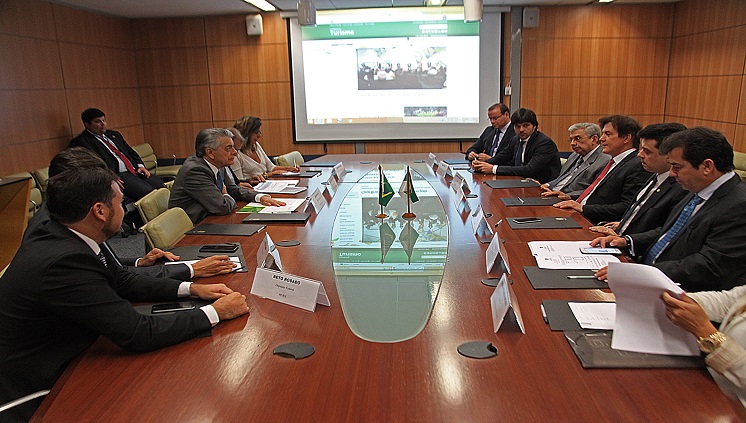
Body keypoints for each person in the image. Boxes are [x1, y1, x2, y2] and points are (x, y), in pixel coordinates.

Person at [0, 166, 249, 422]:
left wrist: (191, 289)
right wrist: (215, 313)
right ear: (99, 211)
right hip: (41, 387)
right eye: (120, 203)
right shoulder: (65, 261)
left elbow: (121, 279)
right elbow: (136, 333)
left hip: (75, 349)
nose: (124, 209)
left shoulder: (68, 233)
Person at [23, 147, 236, 279]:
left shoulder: (68, 217)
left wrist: (137, 262)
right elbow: (116, 284)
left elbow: (108, 266)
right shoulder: (58, 242)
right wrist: (191, 272)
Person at [592, 127, 746, 291]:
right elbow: (671, 233)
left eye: (677, 167)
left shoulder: (738, 205)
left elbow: (711, 265)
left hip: (682, 292)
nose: (671, 173)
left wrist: (641, 273)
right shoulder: (698, 188)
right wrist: (628, 241)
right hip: (651, 273)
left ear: (707, 166)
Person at [168, 128, 285, 224]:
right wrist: (225, 195)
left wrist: (260, 197)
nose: (235, 152)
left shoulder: (218, 162)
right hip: (194, 227)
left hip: (212, 219)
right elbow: (222, 207)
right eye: (229, 148)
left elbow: (233, 189)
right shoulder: (195, 171)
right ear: (210, 152)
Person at [589, 123, 688, 236]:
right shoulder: (656, 175)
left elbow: (667, 231)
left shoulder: (681, 187)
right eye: (641, 149)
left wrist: (627, 239)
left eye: (647, 151)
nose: (639, 154)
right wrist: (623, 224)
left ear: (669, 155)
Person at [553, 115, 651, 223]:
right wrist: (569, 197)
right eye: (603, 134)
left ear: (626, 138)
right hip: (580, 212)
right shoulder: (613, 161)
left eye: (608, 134)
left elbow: (627, 207)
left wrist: (584, 208)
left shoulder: (637, 166)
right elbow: (597, 193)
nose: (601, 139)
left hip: (594, 221)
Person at [661, 287, 746, 408]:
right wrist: (680, 301)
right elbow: (728, 300)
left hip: (737, 407)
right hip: (716, 386)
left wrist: (707, 332)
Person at [70, 108, 165, 201]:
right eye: (97, 121)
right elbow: (92, 165)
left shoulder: (114, 135)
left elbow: (130, 152)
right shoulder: (82, 142)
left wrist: (140, 166)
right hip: (118, 175)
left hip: (135, 170)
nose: (103, 124)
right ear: (87, 124)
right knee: (149, 194)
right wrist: (110, 177)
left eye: (103, 120)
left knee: (162, 187)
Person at [470, 108, 561, 183]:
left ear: (534, 126)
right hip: (520, 181)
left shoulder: (544, 143)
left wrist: (493, 169)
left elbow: (529, 170)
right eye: (518, 126)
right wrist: (481, 164)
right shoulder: (516, 140)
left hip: (542, 185)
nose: (521, 130)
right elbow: (501, 158)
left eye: (526, 126)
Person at [539, 122, 610, 200]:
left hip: (570, 200)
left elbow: (595, 190)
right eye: (571, 140)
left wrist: (569, 196)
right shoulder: (575, 155)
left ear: (594, 139)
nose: (572, 143)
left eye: (578, 138)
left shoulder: (604, 161)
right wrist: (547, 185)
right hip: (551, 193)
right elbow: (562, 178)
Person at [231, 116, 299, 181]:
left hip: (266, 183)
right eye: (256, 132)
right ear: (246, 133)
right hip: (253, 187)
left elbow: (271, 167)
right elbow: (240, 182)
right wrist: (268, 175)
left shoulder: (255, 145)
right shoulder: (235, 154)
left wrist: (290, 168)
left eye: (260, 132)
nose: (259, 136)